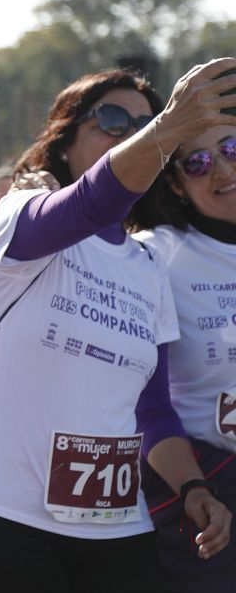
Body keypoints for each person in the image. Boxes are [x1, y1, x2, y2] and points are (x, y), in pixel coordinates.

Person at [0, 63, 236, 593]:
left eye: (145, 123)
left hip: (118, 527)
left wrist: (193, 486)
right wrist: (166, 128)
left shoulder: (147, 265)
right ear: (65, 140)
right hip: (0, 515)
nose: (135, 133)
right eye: (113, 120)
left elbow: (153, 410)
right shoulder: (21, 213)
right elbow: (91, 201)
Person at [127, 122, 236, 592]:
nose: (224, 168)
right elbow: (144, 403)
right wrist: (195, 486)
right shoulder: (155, 255)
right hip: (205, 484)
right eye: (198, 162)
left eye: (231, 147)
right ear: (174, 182)